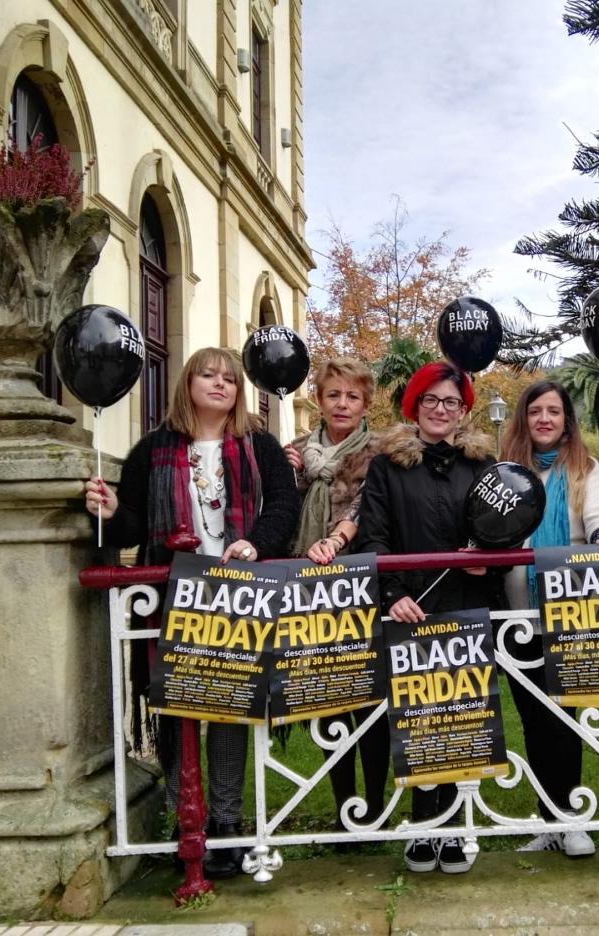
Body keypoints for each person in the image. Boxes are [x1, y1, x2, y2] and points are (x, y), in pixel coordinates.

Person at [83, 347, 299, 878]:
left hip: (235, 598)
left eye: (229, 378)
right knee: (177, 709)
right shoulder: (154, 449)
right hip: (169, 597)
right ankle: (189, 823)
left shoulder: (260, 446)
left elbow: (283, 506)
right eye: (209, 374)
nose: (220, 384)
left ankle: (226, 826)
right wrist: (111, 511)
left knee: (227, 708)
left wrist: (253, 544)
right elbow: (133, 522)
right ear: (189, 383)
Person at [355, 360, 500, 875]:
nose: (442, 410)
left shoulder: (481, 465)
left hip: (465, 601)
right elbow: (374, 535)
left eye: (452, 402)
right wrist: (390, 592)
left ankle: (458, 827)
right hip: (410, 607)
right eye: (432, 401)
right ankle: (423, 827)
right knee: (419, 717)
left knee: (463, 716)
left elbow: (499, 528)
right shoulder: (387, 466)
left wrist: (489, 553)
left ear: (464, 410)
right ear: (415, 406)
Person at [498, 380, 599, 859]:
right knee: (532, 717)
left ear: (567, 419)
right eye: (535, 411)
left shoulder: (583, 468)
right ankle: (548, 818)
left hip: (566, 609)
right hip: (515, 613)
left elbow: (596, 517)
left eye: (554, 411)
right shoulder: (506, 470)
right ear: (523, 419)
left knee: (565, 715)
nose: (544, 419)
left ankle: (572, 818)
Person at [284, 356, 388, 835]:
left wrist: (337, 540)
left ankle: (374, 803)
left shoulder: (382, 452)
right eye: (333, 395)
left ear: (365, 403)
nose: (342, 403)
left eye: (352, 396)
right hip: (309, 594)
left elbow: (369, 508)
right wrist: (287, 477)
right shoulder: (297, 453)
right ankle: (345, 806)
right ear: (319, 401)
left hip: (361, 586)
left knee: (370, 698)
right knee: (327, 699)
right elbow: (279, 511)